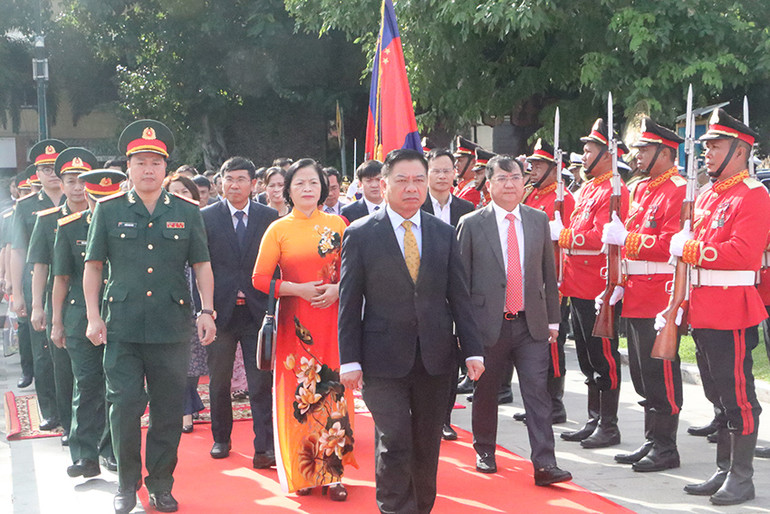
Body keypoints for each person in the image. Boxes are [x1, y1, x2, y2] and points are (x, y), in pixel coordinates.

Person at [339, 149, 485, 514]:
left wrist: (473, 349)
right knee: (394, 439)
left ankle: (421, 507)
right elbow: (348, 303)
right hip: (381, 360)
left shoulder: (443, 232)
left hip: (435, 357)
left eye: (418, 180)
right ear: (384, 184)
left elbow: (459, 297)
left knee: (425, 443)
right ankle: (394, 508)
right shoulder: (360, 235)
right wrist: (349, 360)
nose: (411, 188)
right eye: (402, 180)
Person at [83, 119, 216, 514]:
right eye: (140, 162)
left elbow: (203, 265)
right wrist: (93, 316)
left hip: (171, 328)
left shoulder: (188, 212)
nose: (147, 169)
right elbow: (93, 267)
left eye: (155, 163)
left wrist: (207, 310)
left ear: (166, 168)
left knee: (167, 411)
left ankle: (160, 484)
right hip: (122, 328)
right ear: (128, 167)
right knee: (123, 406)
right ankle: (127, 484)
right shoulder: (107, 211)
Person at [658, 109, 770, 505]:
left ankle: (742, 476)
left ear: (740, 151)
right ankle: (724, 469)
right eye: (706, 146)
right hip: (703, 306)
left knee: (738, 395)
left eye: (715, 146)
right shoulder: (708, 193)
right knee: (718, 395)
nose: (706, 152)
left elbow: (742, 253)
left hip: (732, 307)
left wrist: (688, 247)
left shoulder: (754, 195)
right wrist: (677, 302)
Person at [457, 154, 572, 486]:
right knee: (487, 390)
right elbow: (460, 282)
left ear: (525, 182)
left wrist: (553, 319)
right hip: (487, 324)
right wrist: (463, 332)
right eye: (502, 179)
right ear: (489, 184)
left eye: (515, 178)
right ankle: (485, 451)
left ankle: (545, 463)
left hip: (530, 323)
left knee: (537, 392)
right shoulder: (473, 223)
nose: (509, 184)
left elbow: (548, 275)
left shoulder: (538, 220)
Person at [253, 158, 357, 500]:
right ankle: (305, 473)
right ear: (288, 191)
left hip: (333, 323)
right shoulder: (278, 229)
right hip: (295, 325)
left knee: (335, 394)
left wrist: (337, 289)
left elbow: (356, 273)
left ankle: (335, 474)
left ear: (323, 188)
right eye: (300, 184)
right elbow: (260, 279)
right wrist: (296, 289)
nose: (308, 189)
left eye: (313, 183)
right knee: (300, 396)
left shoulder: (340, 225)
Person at [599, 118, 685, 472]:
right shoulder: (643, 188)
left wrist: (628, 240)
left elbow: (669, 244)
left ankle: (666, 446)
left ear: (665, 152)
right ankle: (652, 440)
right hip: (635, 290)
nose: (636, 156)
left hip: (658, 292)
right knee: (640, 372)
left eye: (644, 150)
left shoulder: (678, 188)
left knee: (660, 372)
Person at [551, 118, 630, 449]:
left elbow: (600, 237)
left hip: (598, 285)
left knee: (603, 357)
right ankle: (594, 418)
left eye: (589, 150)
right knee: (585, 356)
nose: (583, 156)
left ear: (607, 154)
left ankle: (609, 424)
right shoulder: (589, 188)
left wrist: (564, 235)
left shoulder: (615, 189)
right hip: (576, 283)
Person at [202, 156, 277, 467]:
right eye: (229, 179)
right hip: (220, 311)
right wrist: (203, 310)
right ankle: (221, 438)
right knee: (218, 381)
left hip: (257, 312)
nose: (234, 185)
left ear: (253, 184)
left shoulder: (269, 216)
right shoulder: (206, 217)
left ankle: (264, 446)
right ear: (220, 182)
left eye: (241, 179)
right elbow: (199, 266)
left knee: (260, 380)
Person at [51, 168, 126, 479]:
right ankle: (84, 455)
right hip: (80, 317)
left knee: (117, 385)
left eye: (110, 199)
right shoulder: (68, 228)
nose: (100, 205)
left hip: (120, 316)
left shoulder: (127, 224)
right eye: (97, 199)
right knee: (86, 383)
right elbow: (61, 279)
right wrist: (56, 321)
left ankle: (110, 450)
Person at [28, 148, 96, 451]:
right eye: (71, 181)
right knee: (64, 369)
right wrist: (36, 306)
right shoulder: (48, 221)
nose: (78, 187)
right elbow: (40, 266)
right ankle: (70, 427)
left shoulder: (103, 215)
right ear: (63, 184)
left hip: (97, 303)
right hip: (63, 304)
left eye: (83, 181)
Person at [512, 139, 577, 426]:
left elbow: (568, 241)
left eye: (539, 165)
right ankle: (538, 402)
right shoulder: (530, 195)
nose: (533, 170)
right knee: (534, 346)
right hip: (528, 281)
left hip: (552, 282)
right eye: (532, 165)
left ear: (555, 168)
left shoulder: (564, 199)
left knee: (551, 344)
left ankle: (554, 403)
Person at [11, 140, 67, 431]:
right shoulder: (26, 207)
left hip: (75, 285)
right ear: (37, 173)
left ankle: (74, 410)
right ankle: (51, 411)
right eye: (45, 168)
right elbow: (18, 251)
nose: (52, 173)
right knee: (44, 352)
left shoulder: (79, 200)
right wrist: (17, 293)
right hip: (39, 286)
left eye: (56, 168)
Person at [421, 147, 475, 440]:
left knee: (451, 356)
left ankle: (444, 417)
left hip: (457, 290)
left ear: (456, 173)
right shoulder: (416, 205)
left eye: (447, 170)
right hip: (423, 291)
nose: (442, 176)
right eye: (436, 171)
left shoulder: (467, 209)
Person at [161, 173, 209, 434]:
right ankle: (184, 410)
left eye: (185, 192)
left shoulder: (203, 220)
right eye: (173, 192)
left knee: (193, 361)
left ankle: (188, 404)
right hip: (170, 297)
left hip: (198, 295)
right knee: (175, 359)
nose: (179, 196)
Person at [452, 136, 481, 206]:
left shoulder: (474, 190)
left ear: (474, 163)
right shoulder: (460, 187)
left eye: (460, 160)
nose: (456, 164)